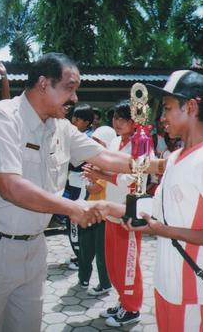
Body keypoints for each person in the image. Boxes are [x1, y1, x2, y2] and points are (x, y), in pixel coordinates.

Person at [0, 52, 165, 332]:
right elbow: (10, 187)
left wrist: (160, 165)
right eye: (69, 88)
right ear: (43, 84)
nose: (75, 98)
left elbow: (104, 156)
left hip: (35, 250)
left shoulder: (60, 127)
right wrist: (73, 208)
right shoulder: (1, 118)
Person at [123, 70, 203, 332]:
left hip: (191, 292)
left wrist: (161, 230)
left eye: (166, 108)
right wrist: (103, 208)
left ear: (190, 106)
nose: (161, 118)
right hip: (165, 285)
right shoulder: (176, 157)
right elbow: (156, 210)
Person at [83, 100, 157, 327]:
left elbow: (135, 181)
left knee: (128, 265)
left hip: (128, 213)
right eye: (115, 117)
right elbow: (109, 167)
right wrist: (95, 173)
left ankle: (132, 308)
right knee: (113, 263)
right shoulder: (115, 141)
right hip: (111, 210)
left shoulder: (142, 145)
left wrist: (102, 175)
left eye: (122, 118)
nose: (117, 122)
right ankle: (123, 300)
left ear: (135, 121)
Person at [79, 125, 117, 295]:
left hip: (103, 215)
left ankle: (105, 283)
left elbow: (93, 188)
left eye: (98, 141)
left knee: (102, 253)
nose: (93, 144)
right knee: (86, 248)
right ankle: (83, 278)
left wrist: (90, 179)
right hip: (91, 210)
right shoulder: (94, 162)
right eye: (92, 140)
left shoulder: (108, 165)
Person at [63, 103, 95, 271]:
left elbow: (74, 162)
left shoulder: (87, 138)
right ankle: (79, 254)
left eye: (78, 118)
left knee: (75, 219)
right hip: (73, 183)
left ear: (87, 122)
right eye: (73, 117)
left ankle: (81, 257)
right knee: (72, 220)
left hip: (81, 183)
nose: (74, 120)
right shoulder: (75, 135)